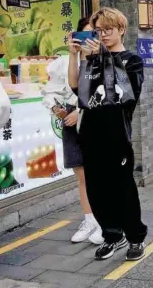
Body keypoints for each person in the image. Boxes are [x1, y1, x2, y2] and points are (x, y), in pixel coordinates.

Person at [68, 8, 148, 261]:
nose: (102, 35)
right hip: (90, 135)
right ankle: (112, 235)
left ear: (121, 29)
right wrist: (75, 56)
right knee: (97, 192)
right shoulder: (91, 59)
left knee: (123, 190)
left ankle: (135, 237)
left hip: (117, 137)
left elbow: (122, 95)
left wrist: (97, 58)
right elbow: (76, 89)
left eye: (107, 30)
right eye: (98, 30)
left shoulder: (132, 60)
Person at [43, 18, 103, 245]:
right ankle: (90, 220)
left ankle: (104, 221)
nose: (88, 40)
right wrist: (56, 108)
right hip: (70, 121)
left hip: (94, 119)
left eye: (94, 34)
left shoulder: (103, 62)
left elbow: (103, 94)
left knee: (98, 174)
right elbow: (50, 91)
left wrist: (82, 112)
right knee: (81, 174)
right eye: (85, 34)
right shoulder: (62, 63)